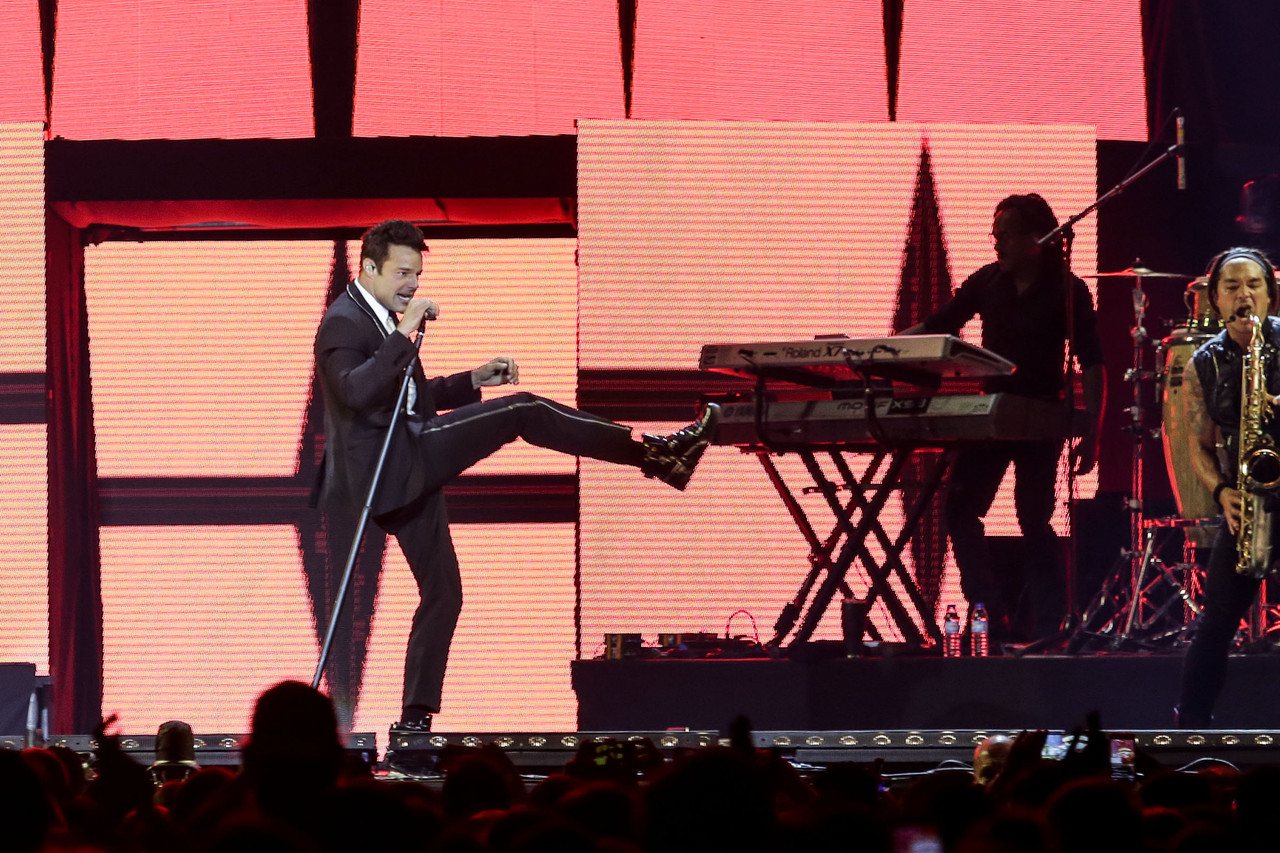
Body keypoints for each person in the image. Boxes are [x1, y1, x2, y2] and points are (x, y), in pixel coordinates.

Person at [313, 219, 718, 730]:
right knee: (524, 410)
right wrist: (401, 333)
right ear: (369, 267)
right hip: (389, 463)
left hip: (405, 463)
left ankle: (414, 723)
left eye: (416, 274)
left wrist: (473, 379)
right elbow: (354, 393)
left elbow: (406, 398)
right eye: (402, 273)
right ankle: (658, 453)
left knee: (443, 593)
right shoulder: (344, 322)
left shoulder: (379, 316)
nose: (412, 285)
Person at [904, 194, 1106, 643]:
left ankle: (1052, 623)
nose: (997, 244)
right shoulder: (987, 281)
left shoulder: (1068, 290)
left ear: (1037, 239)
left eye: (1006, 236)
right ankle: (989, 613)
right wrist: (887, 347)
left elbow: (1093, 362)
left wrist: (1093, 432)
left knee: (1034, 519)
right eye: (995, 236)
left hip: (1040, 417)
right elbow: (940, 324)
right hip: (991, 415)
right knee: (961, 511)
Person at [1176, 248, 1280, 727]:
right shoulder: (1203, 362)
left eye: (1254, 285)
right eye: (1232, 286)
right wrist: (1221, 492)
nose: (1244, 295)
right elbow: (1199, 445)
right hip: (1249, 500)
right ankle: (1190, 729)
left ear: (1270, 296)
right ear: (1214, 299)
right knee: (1216, 619)